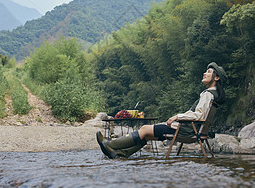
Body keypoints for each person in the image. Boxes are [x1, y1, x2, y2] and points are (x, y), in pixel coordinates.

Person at [96, 62, 226, 159]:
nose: (205, 73)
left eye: (209, 72)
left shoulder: (207, 94)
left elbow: (199, 115)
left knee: (145, 129)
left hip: (186, 129)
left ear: (217, 78)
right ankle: (121, 154)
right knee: (146, 135)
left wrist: (177, 117)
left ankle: (111, 144)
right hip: (190, 128)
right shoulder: (212, 94)